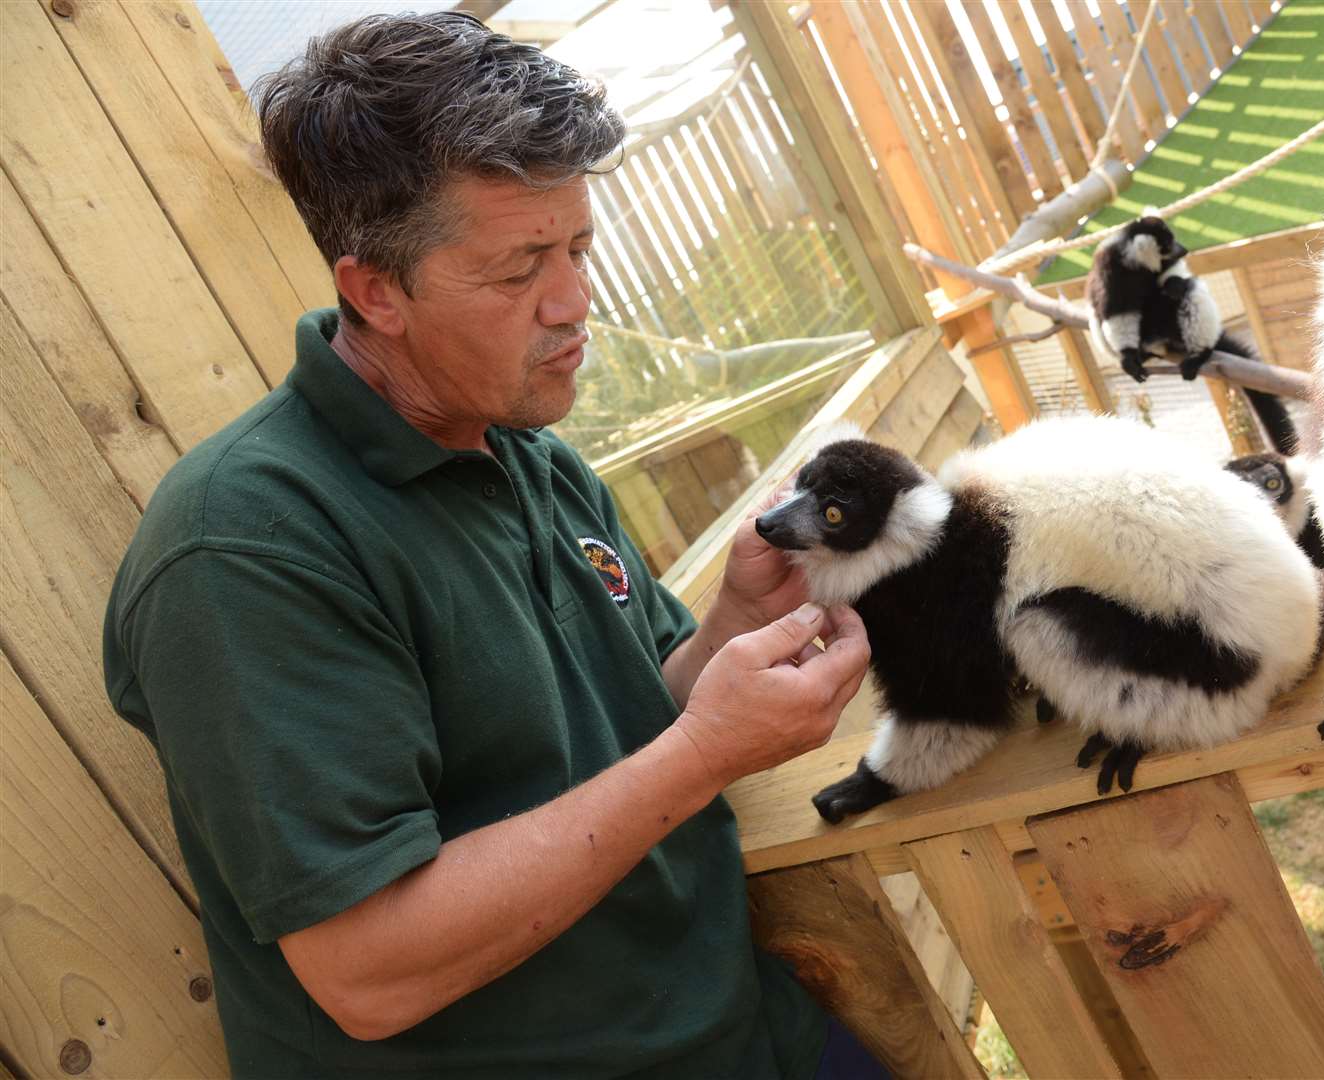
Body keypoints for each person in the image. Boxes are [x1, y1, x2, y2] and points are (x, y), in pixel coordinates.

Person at [101, 12, 884, 1078]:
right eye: (520, 270)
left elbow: (636, 721)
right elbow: (367, 971)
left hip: (737, 1030)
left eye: (577, 248)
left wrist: (737, 626)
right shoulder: (246, 550)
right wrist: (709, 752)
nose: (574, 304)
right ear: (373, 289)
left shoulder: (517, 444)